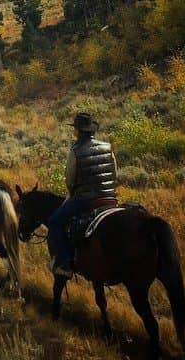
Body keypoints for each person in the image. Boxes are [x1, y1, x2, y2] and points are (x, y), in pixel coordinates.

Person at [47, 112, 118, 277]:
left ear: (78, 131)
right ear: (92, 130)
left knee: (55, 222)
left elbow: (70, 179)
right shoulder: (107, 147)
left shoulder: (76, 151)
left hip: (86, 200)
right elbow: (114, 174)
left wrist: (71, 194)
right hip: (109, 198)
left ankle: (65, 263)